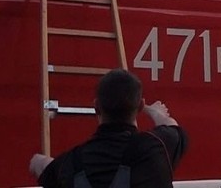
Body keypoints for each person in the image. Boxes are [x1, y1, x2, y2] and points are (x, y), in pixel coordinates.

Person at [29, 69, 187, 188]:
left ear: (96, 107)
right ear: (140, 106)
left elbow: (38, 164)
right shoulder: (157, 147)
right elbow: (171, 125)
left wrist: (45, 161)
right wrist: (153, 111)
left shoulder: (72, 163)